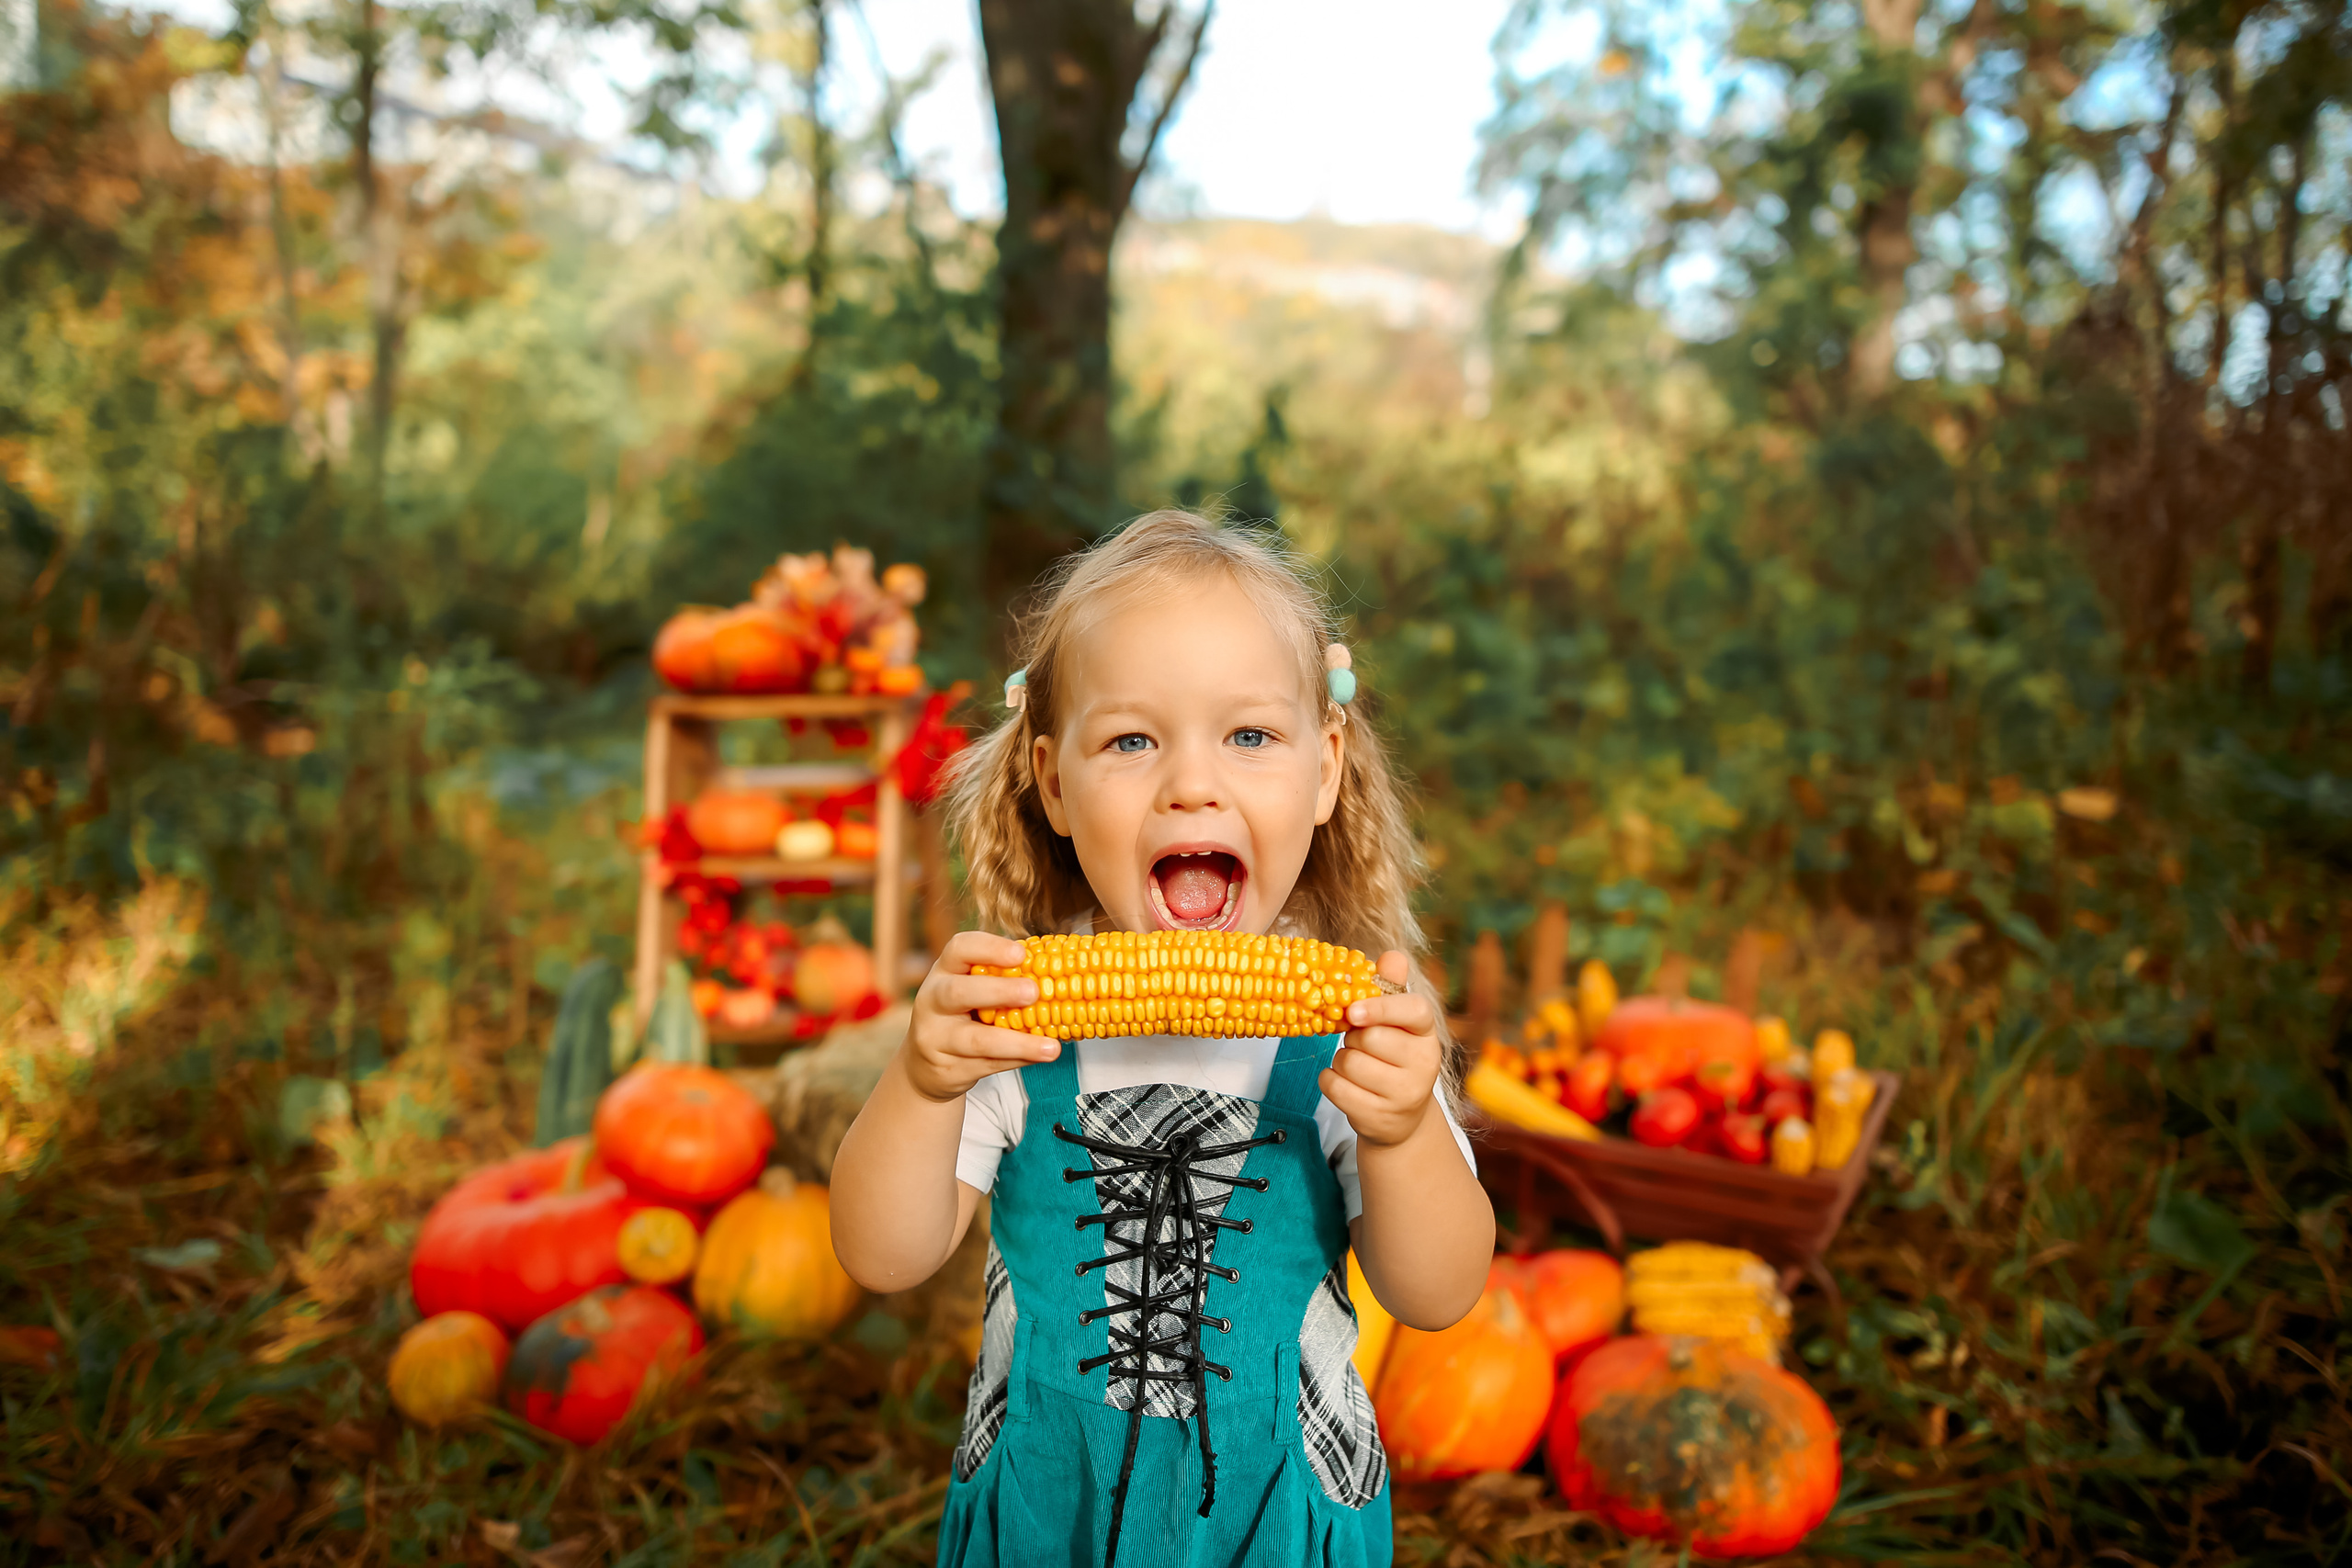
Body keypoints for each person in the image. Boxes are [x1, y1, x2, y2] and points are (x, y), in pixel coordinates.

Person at [831, 511, 1494, 1568]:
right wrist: (917, 1087)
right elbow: (882, 1255)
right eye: (1132, 741)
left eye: (1248, 736)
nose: (1192, 783)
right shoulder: (1008, 1023)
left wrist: (1405, 1132)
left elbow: (1438, 1291)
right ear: (1053, 782)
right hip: (1054, 1506)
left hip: (1276, 1517)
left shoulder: (1355, 1037)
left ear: (1323, 770)